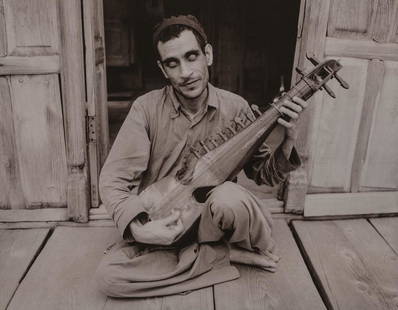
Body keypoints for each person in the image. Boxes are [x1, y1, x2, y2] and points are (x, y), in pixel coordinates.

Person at [95, 15, 307, 298]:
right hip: (166, 222)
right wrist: (139, 229)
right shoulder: (145, 109)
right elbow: (113, 178)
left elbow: (264, 176)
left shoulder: (236, 107)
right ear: (162, 69)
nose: (185, 72)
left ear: (207, 55)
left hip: (213, 222)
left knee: (231, 198)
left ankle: (201, 254)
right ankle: (227, 256)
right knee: (110, 279)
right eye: (173, 63)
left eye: (191, 56)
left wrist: (288, 140)